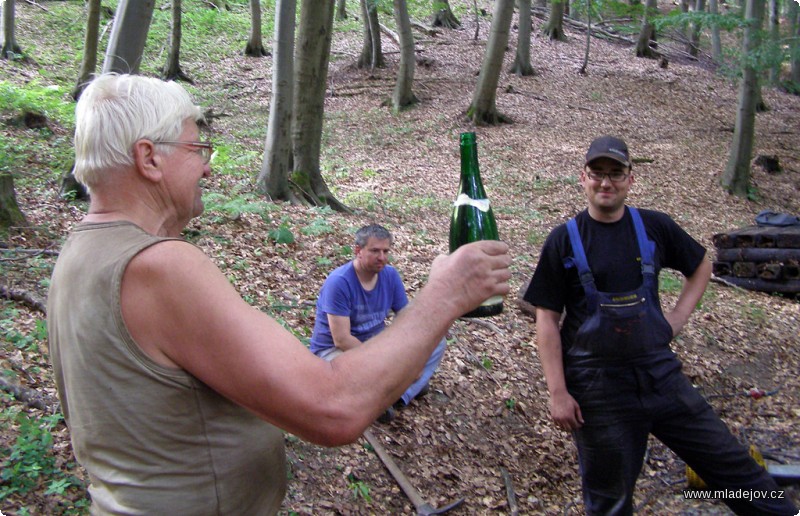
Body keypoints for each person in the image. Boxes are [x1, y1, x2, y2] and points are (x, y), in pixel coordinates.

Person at [46, 73, 511, 515]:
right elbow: (333, 409)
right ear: (149, 158)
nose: (207, 167)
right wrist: (446, 295)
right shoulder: (158, 266)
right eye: (198, 148)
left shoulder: (79, 253)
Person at [522, 136, 797, 515]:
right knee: (610, 502)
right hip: (599, 391)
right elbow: (547, 320)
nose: (606, 182)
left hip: (661, 376)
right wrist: (558, 392)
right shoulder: (563, 240)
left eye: (615, 173)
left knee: (735, 472)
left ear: (630, 179)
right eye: (597, 174)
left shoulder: (654, 227)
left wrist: (676, 319)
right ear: (582, 178)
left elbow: (701, 265)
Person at [310, 224, 446, 422]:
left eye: (385, 251)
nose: (382, 257)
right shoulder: (339, 282)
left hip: (376, 342)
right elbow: (342, 340)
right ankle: (395, 389)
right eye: (375, 251)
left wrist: (412, 356)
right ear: (358, 251)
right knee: (347, 375)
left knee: (437, 342)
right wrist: (388, 362)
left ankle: (398, 395)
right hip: (335, 352)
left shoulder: (390, 275)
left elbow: (406, 319)